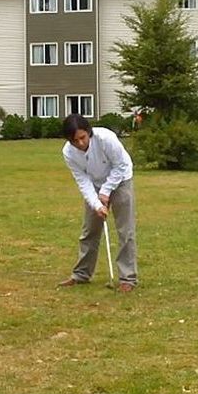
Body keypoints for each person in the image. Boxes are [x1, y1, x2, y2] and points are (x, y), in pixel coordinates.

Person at [58, 114, 138, 292]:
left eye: (82, 138)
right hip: (94, 184)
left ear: (88, 132)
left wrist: (106, 190)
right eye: (74, 140)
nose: (79, 143)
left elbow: (121, 165)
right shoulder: (68, 153)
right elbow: (83, 181)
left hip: (121, 180)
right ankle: (81, 274)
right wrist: (97, 204)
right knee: (89, 231)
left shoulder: (106, 138)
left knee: (125, 231)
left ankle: (128, 278)